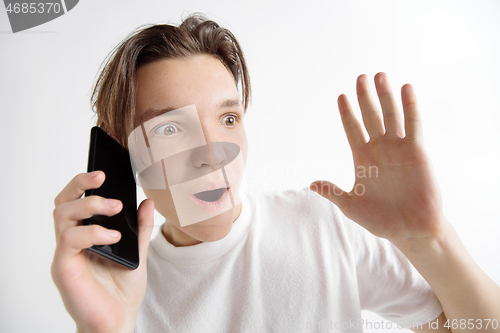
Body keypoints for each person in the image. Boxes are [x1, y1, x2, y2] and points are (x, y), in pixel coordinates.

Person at [51, 14, 500, 333]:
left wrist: (432, 241)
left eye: (228, 119)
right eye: (169, 128)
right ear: (120, 155)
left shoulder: (322, 225)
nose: (213, 154)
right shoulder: (124, 290)